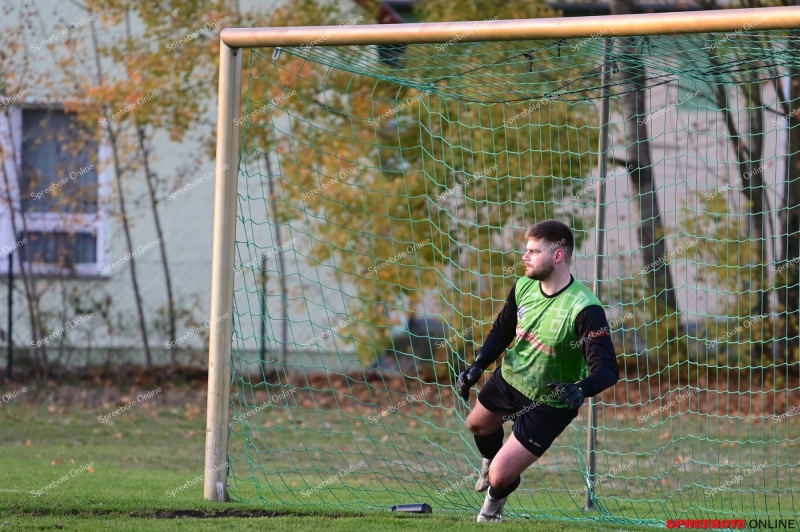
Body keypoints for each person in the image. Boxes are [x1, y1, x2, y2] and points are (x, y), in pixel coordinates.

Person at [456, 220, 619, 522]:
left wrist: (580, 389)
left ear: (557, 256)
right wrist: (478, 366)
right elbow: (502, 330)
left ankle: (491, 514)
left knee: (500, 477)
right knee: (477, 425)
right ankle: (490, 462)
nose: (524, 257)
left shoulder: (584, 309)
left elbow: (608, 369)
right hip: (511, 378)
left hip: (550, 401)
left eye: (532, 251)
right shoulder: (523, 286)